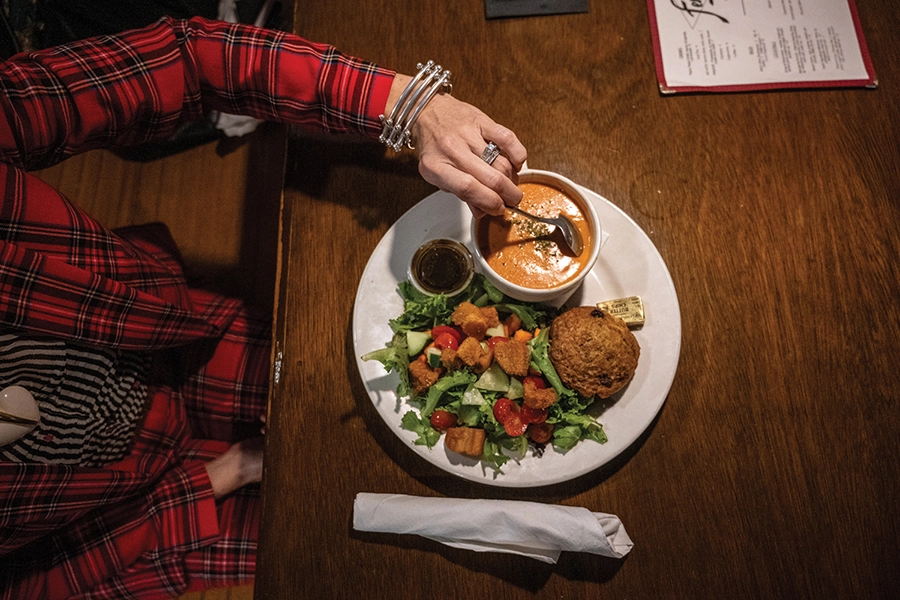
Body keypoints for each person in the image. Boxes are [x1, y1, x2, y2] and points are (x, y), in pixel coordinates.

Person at [0, 15, 526, 600]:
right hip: (121, 522)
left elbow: (190, 59)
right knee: (377, 553)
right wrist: (219, 479)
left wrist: (412, 103)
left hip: (167, 338)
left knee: (371, 406)